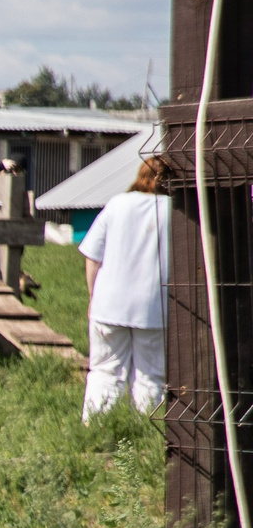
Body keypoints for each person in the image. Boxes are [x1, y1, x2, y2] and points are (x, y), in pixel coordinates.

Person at [79, 153, 171, 422]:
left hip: (109, 303)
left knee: (105, 371)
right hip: (154, 307)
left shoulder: (117, 204)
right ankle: (148, 430)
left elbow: (92, 255)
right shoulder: (172, 210)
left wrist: (93, 296)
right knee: (151, 375)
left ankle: (96, 426)